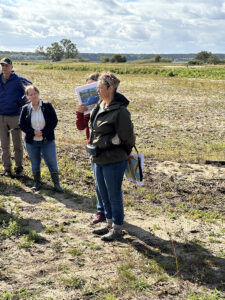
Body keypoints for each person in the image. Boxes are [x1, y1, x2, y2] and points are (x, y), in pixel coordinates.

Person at [89, 72, 135, 241]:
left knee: (114, 194)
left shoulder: (120, 111)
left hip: (114, 160)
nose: (98, 91)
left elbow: (128, 138)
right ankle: (109, 224)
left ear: (110, 88)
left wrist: (112, 144)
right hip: (98, 158)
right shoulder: (100, 105)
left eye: (100, 88)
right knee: (103, 193)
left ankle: (117, 228)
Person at [19, 85, 63, 192]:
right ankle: (37, 183)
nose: (33, 96)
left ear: (38, 93)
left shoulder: (47, 106)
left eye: (35, 93)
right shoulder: (25, 109)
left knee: (52, 162)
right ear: (27, 97)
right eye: (31, 94)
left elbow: (54, 121)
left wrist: (43, 132)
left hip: (47, 140)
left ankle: (56, 184)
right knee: (35, 162)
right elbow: (21, 124)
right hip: (31, 142)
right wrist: (33, 132)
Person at [76, 72, 106, 224]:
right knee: (98, 182)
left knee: (108, 182)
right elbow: (81, 127)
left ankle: (111, 213)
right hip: (92, 147)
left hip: (107, 148)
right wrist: (79, 113)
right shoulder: (87, 109)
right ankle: (101, 211)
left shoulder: (108, 105)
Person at [0, 57, 31, 178]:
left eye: (6, 65)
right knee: (4, 144)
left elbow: (31, 89)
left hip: (14, 116)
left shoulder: (18, 80)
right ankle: (6, 168)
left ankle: (19, 168)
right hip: (1, 116)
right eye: (2, 65)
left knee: (17, 144)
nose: (4, 67)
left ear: (11, 67)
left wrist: (21, 102)